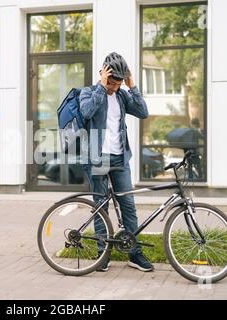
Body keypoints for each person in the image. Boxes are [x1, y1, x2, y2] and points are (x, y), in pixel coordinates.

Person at [79, 52, 152, 272]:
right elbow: (86, 112)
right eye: (112, 82)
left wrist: (132, 86)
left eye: (118, 82)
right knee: (101, 207)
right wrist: (102, 87)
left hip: (120, 158)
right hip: (98, 158)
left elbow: (143, 112)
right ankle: (103, 254)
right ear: (103, 74)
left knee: (128, 207)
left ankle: (134, 253)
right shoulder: (90, 92)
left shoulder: (121, 95)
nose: (114, 87)